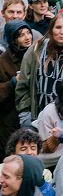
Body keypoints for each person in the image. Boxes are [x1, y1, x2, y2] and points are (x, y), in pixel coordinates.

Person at [0, 21, 30, 153]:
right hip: (9, 117)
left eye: (28, 32)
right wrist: (12, 82)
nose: (27, 37)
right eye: (21, 35)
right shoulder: (2, 61)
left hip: (30, 114)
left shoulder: (35, 55)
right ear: (13, 39)